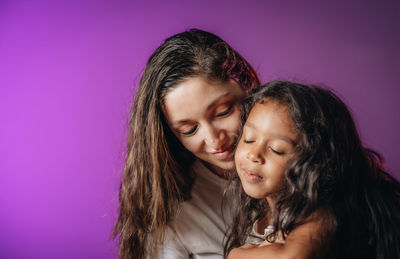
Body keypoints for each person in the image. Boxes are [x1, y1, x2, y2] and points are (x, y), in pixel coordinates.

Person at [112, 29, 260, 259]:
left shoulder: (307, 159)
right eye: (188, 130)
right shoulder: (171, 213)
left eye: (223, 111)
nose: (214, 140)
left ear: (247, 84)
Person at [225, 81, 400, 259]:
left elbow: (291, 257)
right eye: (248, 139)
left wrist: (235, 255)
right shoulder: (263, 212)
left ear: (315, 163)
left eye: (277, 149)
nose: (253, 154)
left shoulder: (321, 212)